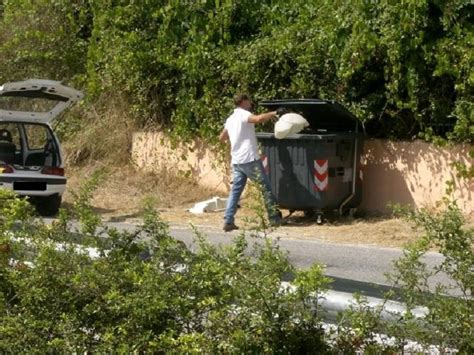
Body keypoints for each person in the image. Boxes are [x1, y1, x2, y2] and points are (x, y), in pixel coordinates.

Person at [219, 93, 284, 232]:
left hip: (237, 161)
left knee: (235, 191)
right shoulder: (243, 114)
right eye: (249, 101)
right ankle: (274, 218)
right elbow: (258, 118)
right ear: (243, 101)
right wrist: (274, 112)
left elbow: (222, 137)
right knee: (265, 188)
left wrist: (235, 136)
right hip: (249, 158)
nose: (250, 103)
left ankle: (228, 220)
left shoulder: (230, 119)